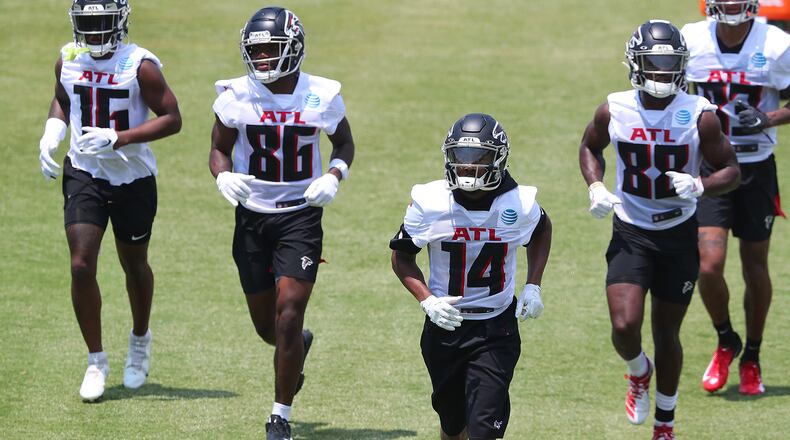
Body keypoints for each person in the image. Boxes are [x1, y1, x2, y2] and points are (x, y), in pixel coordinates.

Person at [579, 20, 740, 439]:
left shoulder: (699, 115)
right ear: (636, 64)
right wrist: (595, 184)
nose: (663, 74)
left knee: (666, 331)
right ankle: (638, 372)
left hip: (678, 233)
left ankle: (665, 424)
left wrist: (701, 184)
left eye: (671, 66)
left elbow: (732, 170)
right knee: (623, 326)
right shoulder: (614, 107)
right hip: (631, 230)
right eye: (654, 64)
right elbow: (590, 146)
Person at [209, 6, 355, 440]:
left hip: (299, 216)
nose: (263, 61)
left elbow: (344, 142)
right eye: (257, 52)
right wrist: (223, 175)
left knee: (288, 314)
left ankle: (280, 416)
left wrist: (333, 175)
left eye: (272, 50)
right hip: (252, 217)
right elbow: (218, 148)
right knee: (267, 327)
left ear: (293, 49)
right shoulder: (235, 94)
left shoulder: (321, 95)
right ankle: (296, 350)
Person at [37, 0, 181, 401]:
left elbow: (172, 117)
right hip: (85, 171)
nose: (94, 32)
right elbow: (64, 100)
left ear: (120, 22)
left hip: (132, 176)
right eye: (87, 23)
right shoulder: (68, 58)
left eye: (102, 23)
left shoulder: (140, 65)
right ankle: (96, 360)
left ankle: (139, 339)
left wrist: (120, 138)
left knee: (134, 264)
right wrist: (52, 131)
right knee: (81, 265)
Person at [390, 113, 552, 440]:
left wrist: (533, 284)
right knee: (452, 426)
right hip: (444, 327)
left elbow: (541, 229)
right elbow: (402, 257)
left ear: (499, 159)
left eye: (479, 158)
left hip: (496, 328)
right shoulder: (430, 201)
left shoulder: (518, 203)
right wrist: (428, 300)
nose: (469, 167)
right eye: (461, 157)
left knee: (483, 429)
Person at [682, 0, 790, 396]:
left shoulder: (776, 44)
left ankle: (753, 356)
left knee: (755, 264)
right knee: (708, 265)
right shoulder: (691, 40)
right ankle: (726, 339)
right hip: (710, 166)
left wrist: (769, 117)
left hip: (756, 167)